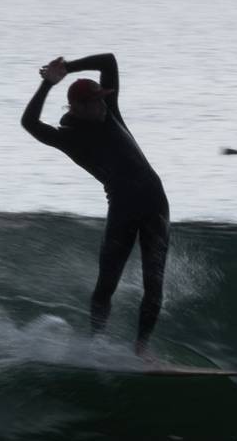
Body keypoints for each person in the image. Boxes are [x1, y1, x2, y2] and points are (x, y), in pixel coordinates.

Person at [20, 54, 169, 358]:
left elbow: (109, 62)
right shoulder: (68, 138)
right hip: (123, 210)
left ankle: (141, 349)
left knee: (153, 284)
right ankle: (96, 344)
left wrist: (67, 69)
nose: (103, 105)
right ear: (78, 108)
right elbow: (29, 122)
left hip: (156, 205)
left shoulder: (110, 112)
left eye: (103, 100)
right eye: (96, 102)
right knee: (106, 284)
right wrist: (47, 84)